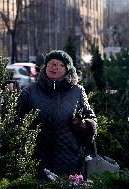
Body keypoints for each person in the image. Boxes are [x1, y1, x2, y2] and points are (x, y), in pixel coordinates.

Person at [17, 50, 97, 180]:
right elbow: (15, 117)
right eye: (51, 64)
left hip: (69, 158)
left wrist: (82, 125)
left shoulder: (77, 92)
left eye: (59, 65)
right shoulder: (30, 91)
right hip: (37, 158)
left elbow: (91, 120)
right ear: (45, 67)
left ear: (67, 70)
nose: (54, 67)